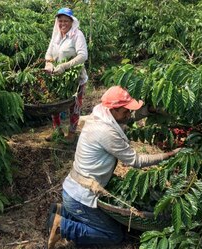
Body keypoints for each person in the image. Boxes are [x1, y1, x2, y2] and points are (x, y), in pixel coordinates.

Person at [46, 86, 181, 248]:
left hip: (73, 187)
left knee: (112, 226)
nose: (128, 114)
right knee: (113, 235)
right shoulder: (105, 131)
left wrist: (148, 109)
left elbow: (128, 119)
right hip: (80, 196)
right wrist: (169, 155)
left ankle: (63, 211)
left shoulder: (101, 116)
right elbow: (135, 161)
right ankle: (63, 227)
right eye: (125, 111)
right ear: (114, 110)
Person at [44, 7, 88, 144]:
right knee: (54, 104)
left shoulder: (77, 35)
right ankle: (57, 129)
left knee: (74, 105)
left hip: (74, 78)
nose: (63, 24)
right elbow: (49, 53)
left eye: (66, 21)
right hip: (56, 76)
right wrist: (49, 64)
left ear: (71, 21)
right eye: (60, 21)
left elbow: (83, 55)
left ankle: (72, 132)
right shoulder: (56, 35)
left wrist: (65, 66)